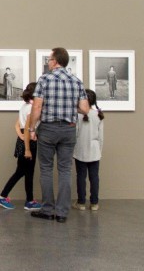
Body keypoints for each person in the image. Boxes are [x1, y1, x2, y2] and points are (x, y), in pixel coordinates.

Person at [28, 47, 89, 223]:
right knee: (65, 170)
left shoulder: (44, 79)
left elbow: (37, 107)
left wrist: (32, 129)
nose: (48, 62)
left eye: (49, 59)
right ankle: (62, 213)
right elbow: (85, 109)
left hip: (48, 129)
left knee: (46, 169)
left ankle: (47, 210)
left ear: (55, 61)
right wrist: (70, 108)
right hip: (69, 129)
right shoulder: (76, 81)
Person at [0, 83, 42, 211]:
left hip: (25, 140)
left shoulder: (25, 106)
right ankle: (2, 196)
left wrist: (20, 135)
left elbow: (17, 125)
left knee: (27, 172)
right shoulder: (31, 108)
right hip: (28, 143)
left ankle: (29, 200)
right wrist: (27, 148)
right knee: (22, 172)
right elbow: (26, 128)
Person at [73, 89, 104, 212]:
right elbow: (101, 136)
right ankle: (94, 203)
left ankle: (81, 202)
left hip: (80, 149)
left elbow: (75, 134)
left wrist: (74, 150)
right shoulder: (98, 114)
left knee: (81, 176)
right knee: (94, 177)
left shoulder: (78, 115)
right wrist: (99, 151)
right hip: (95, 151)